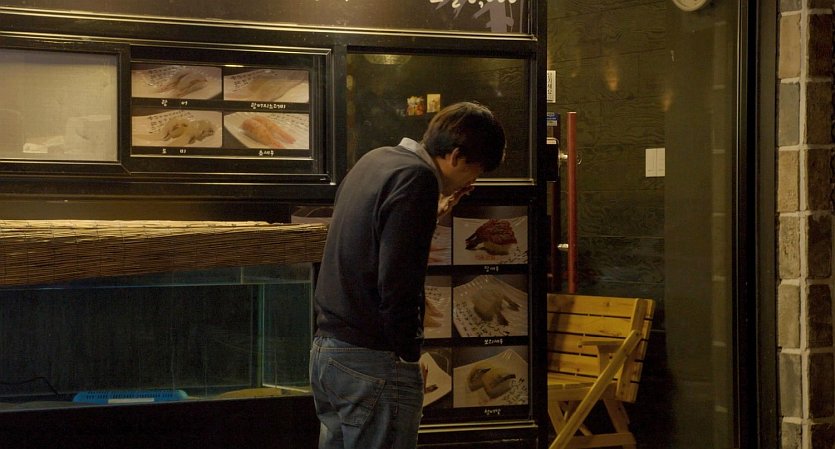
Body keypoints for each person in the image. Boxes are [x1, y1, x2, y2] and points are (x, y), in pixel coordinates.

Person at [310, 101, 506, 449]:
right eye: (476, 171)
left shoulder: (377, 160)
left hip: (329, 352)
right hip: (373, 358)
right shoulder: (418, 178)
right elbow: (397, 278)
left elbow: (372, 240)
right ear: (456, 156)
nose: (473, 181)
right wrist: (407, 353)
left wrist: (430, 213)